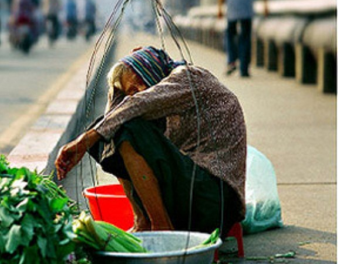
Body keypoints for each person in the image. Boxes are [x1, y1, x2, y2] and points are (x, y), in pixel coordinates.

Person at [55, 46, 247, 238]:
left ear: (151, 69)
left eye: (140, 82)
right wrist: (116, 89)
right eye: (131, 91)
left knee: (126, 128)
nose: (139, 91)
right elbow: (114, 116)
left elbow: (139, 103)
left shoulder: (190, 76)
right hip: (191, 195)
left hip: (215, 201)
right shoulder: (160, 105)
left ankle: (161, 228)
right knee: (110, 130)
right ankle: (143, 221)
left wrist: (84, 140)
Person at [218, 0, 268, 77]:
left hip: (232, 8)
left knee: (230, 36)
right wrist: (265, 5)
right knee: (245, 38)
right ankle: (244, 68)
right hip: (246, 9)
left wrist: (220, 8)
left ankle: (231, 62)